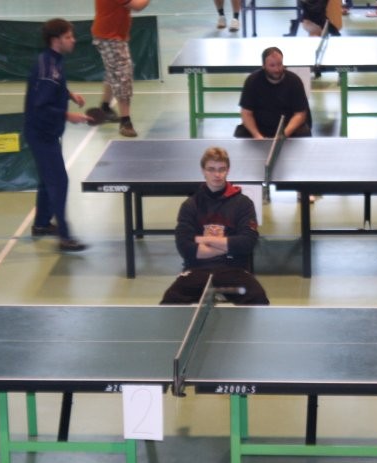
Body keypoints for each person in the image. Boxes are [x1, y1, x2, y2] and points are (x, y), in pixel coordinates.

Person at [160, 147, 269, 305]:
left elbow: (247, 243)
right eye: (211, 169)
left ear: (228, 170)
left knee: (258, 298)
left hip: (234, 271)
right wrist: (228, 245)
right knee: (171, 300)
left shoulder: (243, 203)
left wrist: (202, 240)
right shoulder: (190, 205)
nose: (217, 175)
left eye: (221, 169)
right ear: (203, 171)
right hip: (196, 271)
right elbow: (185, 248)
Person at [24, 18, 91, 253]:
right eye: (68, 37)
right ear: (56, 40)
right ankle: (65, 237)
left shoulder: (51, 59)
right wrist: (68, 115)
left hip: (47, 132)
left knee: (47, 180)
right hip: (41, 134)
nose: (73, 40)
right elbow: (40, 106)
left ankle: (42, 224)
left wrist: (69, 94)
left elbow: (53, 86)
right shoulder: (48, 69)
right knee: (59, 182)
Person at [92, 0, 150, 138]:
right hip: (110, 38)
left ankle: (105, 108)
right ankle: (125, 122)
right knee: (123, 75)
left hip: (109, 35)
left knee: (113, 72)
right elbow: (138, 6)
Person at [235, 47, 311, 140]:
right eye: (272, 65)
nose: (277, 69)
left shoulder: (294, 81)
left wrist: (283, 135)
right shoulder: (252, 81)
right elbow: (246, 113)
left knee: (304, 132)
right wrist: (257, 135)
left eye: (279, 64)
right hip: (260, 128)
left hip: (287, 129)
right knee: (241, 133)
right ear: (263, 66)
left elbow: (300, 114)